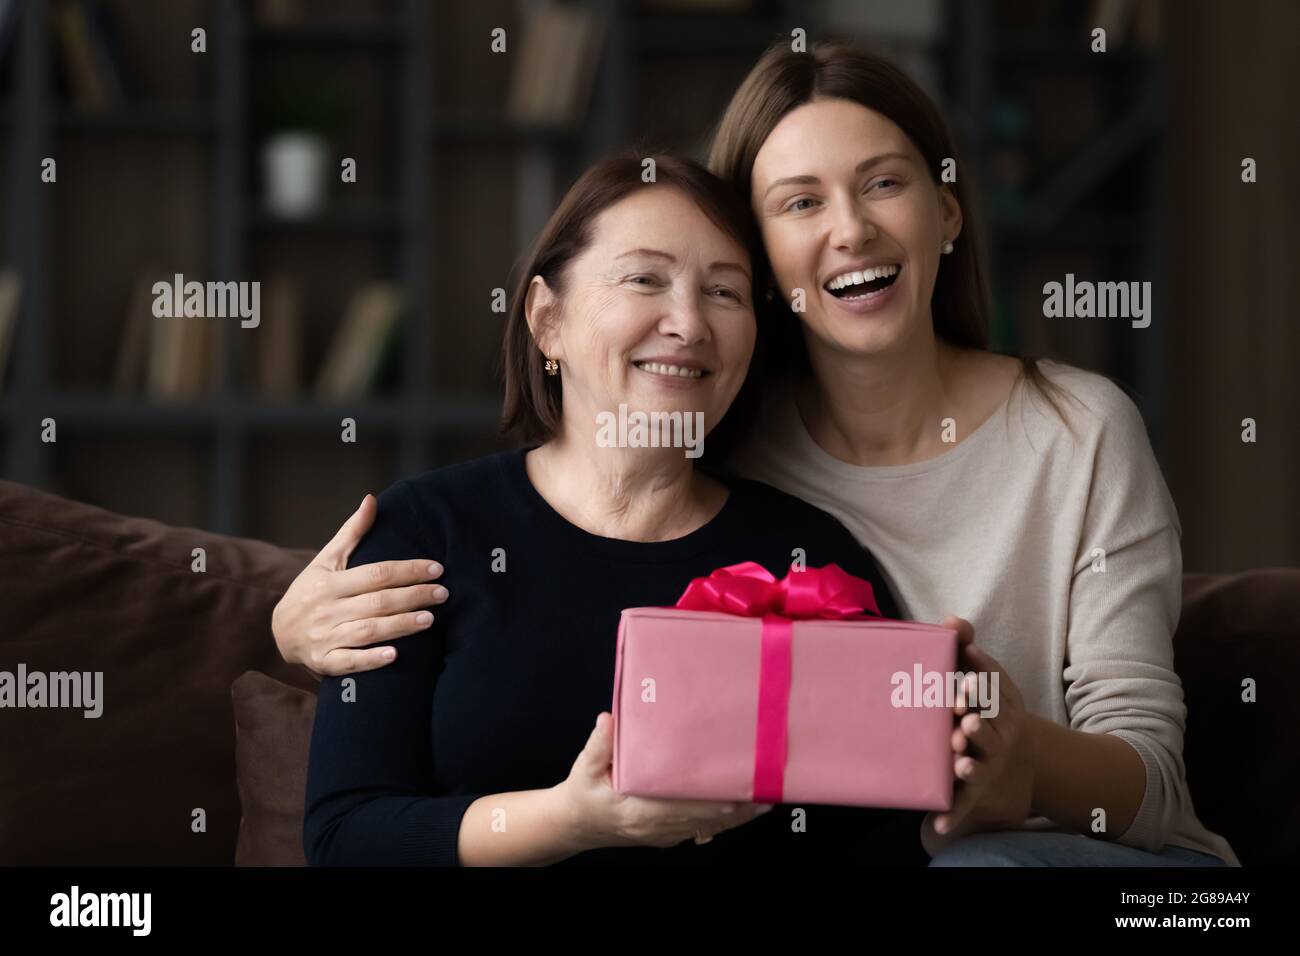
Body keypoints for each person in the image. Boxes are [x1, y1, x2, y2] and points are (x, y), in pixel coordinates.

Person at [282, 42, 1236, 867]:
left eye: (885, 183)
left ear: (946, 213)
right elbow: (356, 812)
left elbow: (1140, 779)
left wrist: (1017, 758)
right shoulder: (716, 448)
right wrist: (285, 630)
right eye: (799, 202)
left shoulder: (1065, 434)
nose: (850, 229)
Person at [302, 153, 930, 867]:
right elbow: (344, 838)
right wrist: (569, 820)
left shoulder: (810, 556)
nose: (690, 323)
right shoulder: (425, 530)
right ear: (548, 321)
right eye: (644, 279)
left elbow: (887, 842)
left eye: (725, 292)